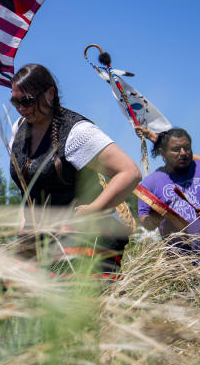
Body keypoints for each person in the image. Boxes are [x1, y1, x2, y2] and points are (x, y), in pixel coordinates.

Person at [8, 64, 141, 274]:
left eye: (27, 101)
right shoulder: (19, 128)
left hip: (92, 233)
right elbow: (31, 190)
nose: (21, 108)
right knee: (12, 291)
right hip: (43, 233)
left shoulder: (77, 132)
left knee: (75, 299)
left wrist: (95, 209)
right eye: (15, 101)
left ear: (50, 93)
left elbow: (130, 173)